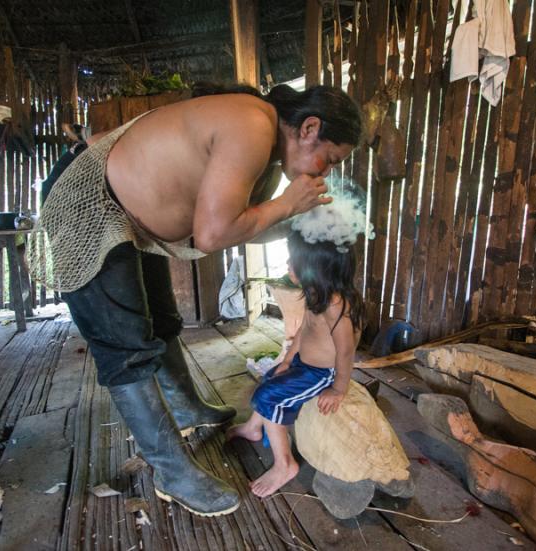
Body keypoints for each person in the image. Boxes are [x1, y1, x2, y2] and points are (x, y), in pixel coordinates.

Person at [30, 84, 362, 517]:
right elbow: (211, 235)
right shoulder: (252, 125)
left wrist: (295, 218)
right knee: (126, 344)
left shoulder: (265, 151)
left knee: (161, 317)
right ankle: (171, 471)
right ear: (309, 127)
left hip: (126, 211)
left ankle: (186, 409)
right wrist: (284, 206)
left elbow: (241, 225)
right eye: (330, 159)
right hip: (87, 198)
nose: (325, 172)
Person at [227, 229, 364, 497]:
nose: (288, 266)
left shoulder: (336, 304)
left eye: (294, 262)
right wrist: (288, 358)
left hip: (322, 374)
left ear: (318, 268)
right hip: (303, 363)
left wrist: (338, 388)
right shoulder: (316, 292)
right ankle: (254, 428)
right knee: (270, 379)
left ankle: (284, 464)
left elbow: (346, 351)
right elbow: (304, 329)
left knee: (271, 397)